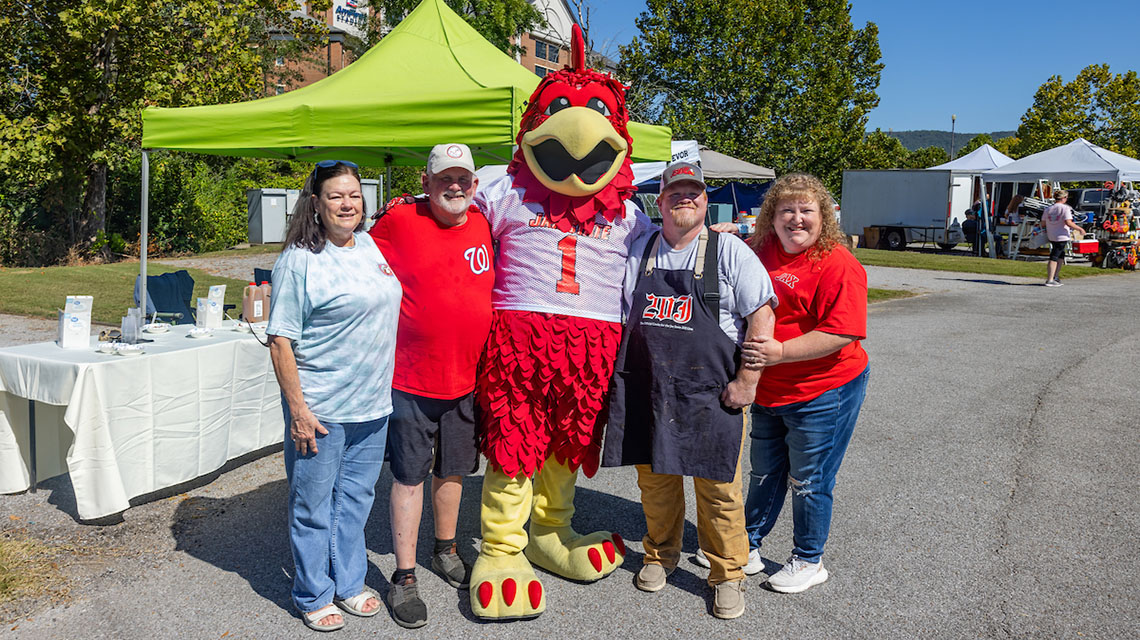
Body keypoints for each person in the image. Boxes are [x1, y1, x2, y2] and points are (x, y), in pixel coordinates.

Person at [603, 162, 777, 619]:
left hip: (711, 392)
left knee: (719, 490)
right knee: (656, 483)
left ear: (704, 198)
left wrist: (748, 381)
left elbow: (761, 317)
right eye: (675, 192)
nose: (685, 198)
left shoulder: (730, 252)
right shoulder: (640, 250)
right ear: (658, 201)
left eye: (693, 192)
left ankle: (727, 575)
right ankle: (660, 555)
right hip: (651, 388)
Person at [713, 172, 870, 594]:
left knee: (810, 478)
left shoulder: (838, 262)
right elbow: (723, 265)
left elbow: (843, 332)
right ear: (771, 216)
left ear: (824, 217)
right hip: (769, 387)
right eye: (787, 210)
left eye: (806, 210)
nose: (796, 219)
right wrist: (722, 234)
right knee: (764, 471)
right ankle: (749, 544)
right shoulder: (758, 249)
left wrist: (779, 351)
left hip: (824, 387)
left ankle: (808, 558)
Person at [267, 160, 403, 632]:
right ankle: (313, 592)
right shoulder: (299, 260)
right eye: (336, 197)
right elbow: (280, 339)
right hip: (321, 407)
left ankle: (348, 582)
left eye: (354, 195)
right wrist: (298, 411)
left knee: (356, 500)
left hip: (372, 405)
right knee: (312, 504)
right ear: (315, 204)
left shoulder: (368, 246)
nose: (348, 204)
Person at [367, 144, 493, 628]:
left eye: (463, 178)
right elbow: (353, 257)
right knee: (408, 477)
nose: (455, 186)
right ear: (426, 182)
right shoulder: (398, 221)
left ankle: (445, 550)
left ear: (475, 186)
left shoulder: (483, 222)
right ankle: (403, 576)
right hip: (410, 380)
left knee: (455, 472)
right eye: (445, 178)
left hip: (466, 380)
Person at [1040, 190, 1083, 286]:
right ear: (1063, 198)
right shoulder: (1065, 208)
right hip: (1062, 234)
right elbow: (1068, 222)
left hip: (1052, 234)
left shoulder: (1048, 209)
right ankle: (1050, 279)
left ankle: (1055, 276)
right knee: (1055, 256)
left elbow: (1043, 223)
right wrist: (1079, 228)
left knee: (1060, 255)